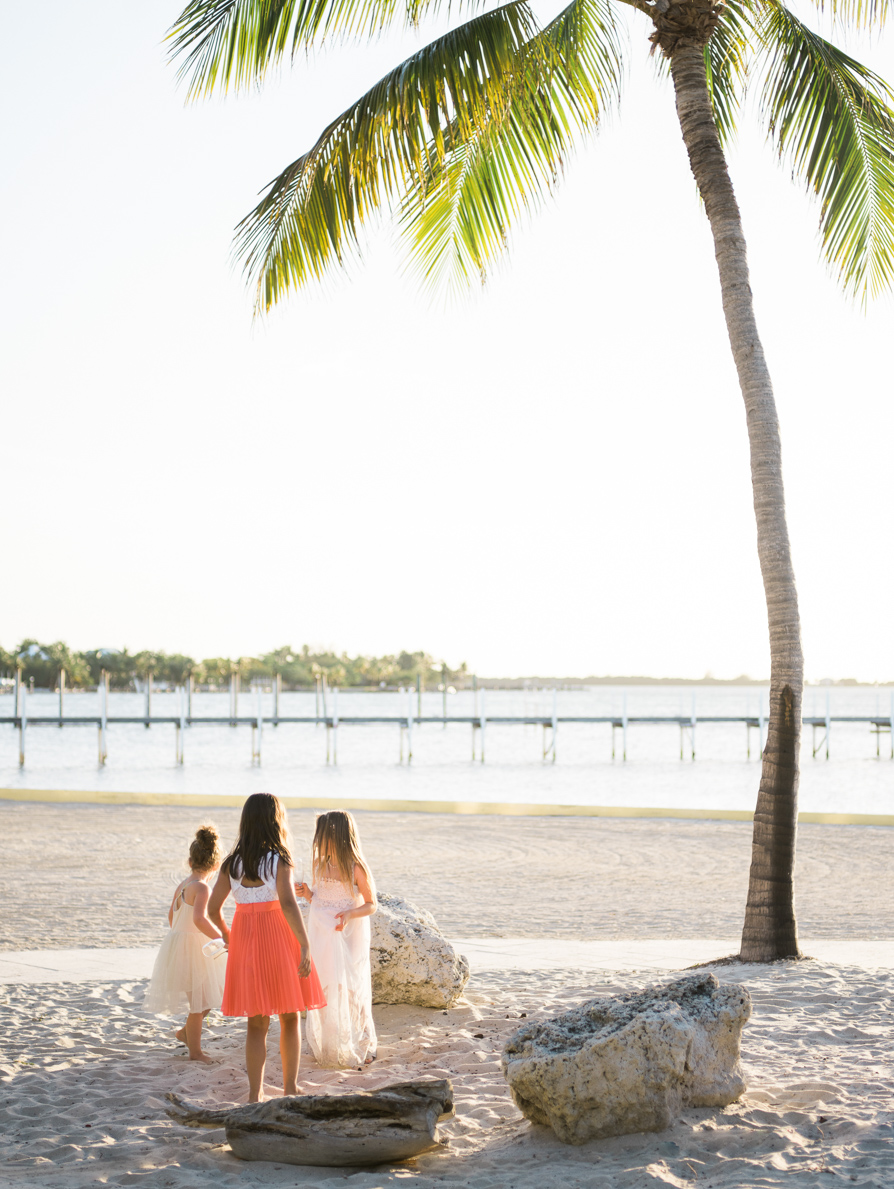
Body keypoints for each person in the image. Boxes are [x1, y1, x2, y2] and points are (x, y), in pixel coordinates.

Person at [207, 793, 325, 1102]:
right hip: (279, 939)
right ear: (276, 821)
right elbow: (287, 903)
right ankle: (289, 1088)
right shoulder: (279, 859)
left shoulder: (232, 864)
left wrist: (227, 934)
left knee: (256, 1023)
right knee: (289, 1016)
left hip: (246, 941)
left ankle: (255, 1092)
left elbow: (212, 908)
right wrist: (305, 943)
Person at [295, 810, 377, 1068]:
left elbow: (371, 904)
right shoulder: (320, 865)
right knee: (325, 983)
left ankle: (364, 1040)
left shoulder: (355, 867)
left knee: (352, 985)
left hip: (347, 931)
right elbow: (319, 899)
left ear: (337, 836)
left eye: (322, 837)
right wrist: (308, 894)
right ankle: (329, 1040)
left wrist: (352, 913)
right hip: (321, 930)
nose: (318, 842)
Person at [144, 824, 227, 1064]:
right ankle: (196, 1052)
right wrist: (220, 937)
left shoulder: (182, 885)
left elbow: (172, 916)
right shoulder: (202, 887)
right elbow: (200, 918)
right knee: (199, 1003)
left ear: (190, 861)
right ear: (215, 866)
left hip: (179, 944)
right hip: (193, 949)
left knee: (205, 998)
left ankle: (185, 1033)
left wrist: (180, 935)